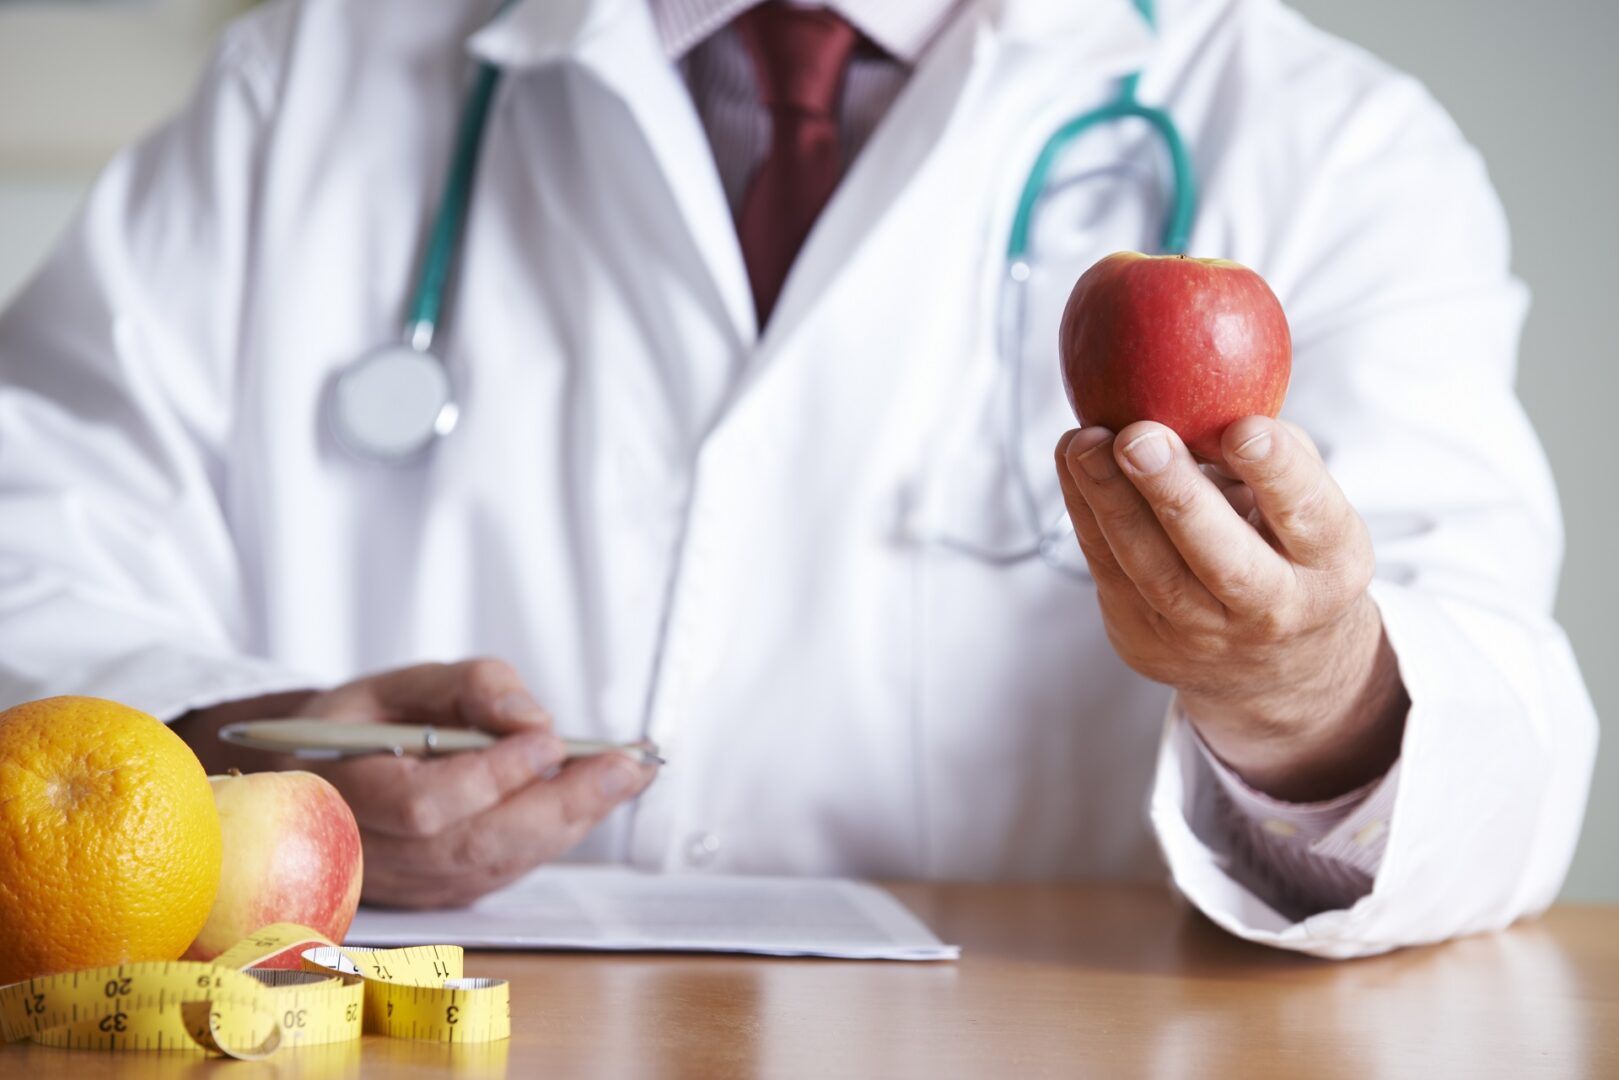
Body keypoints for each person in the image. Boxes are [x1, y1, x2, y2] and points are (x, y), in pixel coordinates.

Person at [0, 0, 1596, 958]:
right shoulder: (311, 86)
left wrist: (1314, 691)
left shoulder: (1332, 145)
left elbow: (1500, 770)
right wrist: (241, 762)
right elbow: (28, 539)